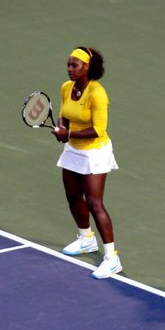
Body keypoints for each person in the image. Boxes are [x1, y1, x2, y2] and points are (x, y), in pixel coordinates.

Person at [51, 46, 122, 279]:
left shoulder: (97, 93)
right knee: (72, 196)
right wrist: (63, 129)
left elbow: (99, 129)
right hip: (74, 149)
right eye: (68, 65)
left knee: (94, 202)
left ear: (87, 67)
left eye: (75, 65)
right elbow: (66, 116)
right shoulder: (66, 88)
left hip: (95, 151)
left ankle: (112, 258)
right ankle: (86, 239)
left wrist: (68, 135)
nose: (70, 69)